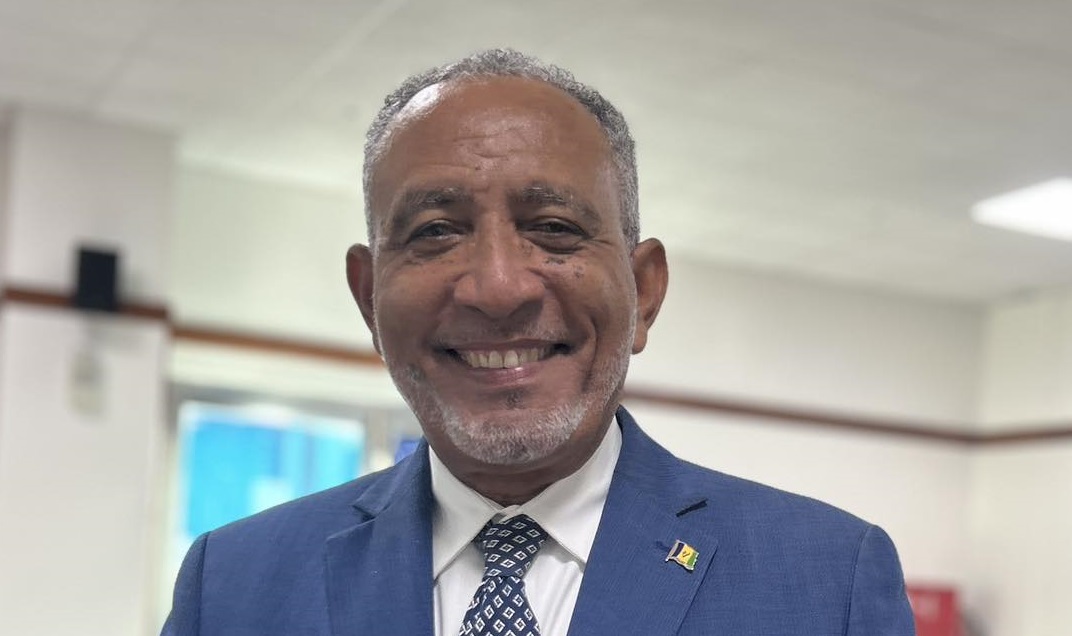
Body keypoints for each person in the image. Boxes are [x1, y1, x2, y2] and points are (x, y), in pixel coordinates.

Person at [163, 49, 915, 636]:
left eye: (554, 229)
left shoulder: (827, 582)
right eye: (435, 232)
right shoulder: (232, 584)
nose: (498, 288)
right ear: (368, 299)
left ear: (644, 291)